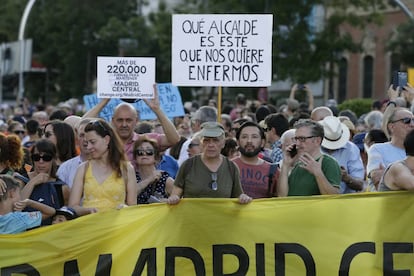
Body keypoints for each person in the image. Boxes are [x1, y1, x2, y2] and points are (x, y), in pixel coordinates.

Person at [167, 122, 252, 205]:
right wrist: (174, 198)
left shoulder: (232, 167)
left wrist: (243, 197)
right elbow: (175, 194)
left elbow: (238, 195)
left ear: (223, 143)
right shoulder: (188, 165)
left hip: (222, 218)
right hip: (192, 218)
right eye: (206, 140)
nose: (211, 145)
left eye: (215, 140)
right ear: (201, 143)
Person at [69, 119, 137, 215]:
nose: (88, 147)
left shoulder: (127, 169)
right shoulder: (83, 168)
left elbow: (133, 207)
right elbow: (72, 206)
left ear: (106, 140)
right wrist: (87, 210)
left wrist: (124, 208)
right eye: (87, 143)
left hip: (117, 227)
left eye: (92, 142)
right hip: (89, 226)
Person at [111, 84, 180, 164]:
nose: (124, 124)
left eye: (128, 120)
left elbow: (174, 139)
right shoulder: (105, 143)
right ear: (113, 121)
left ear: (136, 121)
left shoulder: (146, 141)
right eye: (120, 120)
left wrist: (157, 110)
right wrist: (104, 101)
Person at [278, 119, 341, 196]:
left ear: (317, 141)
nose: (297, 143)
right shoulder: (298, 164)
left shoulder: (329, 163)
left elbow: (334, 197)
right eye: (296, 139)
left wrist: (318, 173)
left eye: (302, 139)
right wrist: (285, 165)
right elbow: (282, 196)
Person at [20, 139, 69, 225]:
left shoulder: (61, 188)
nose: (41, 162)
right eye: (36, 158)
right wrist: (33, 182)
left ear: (53, 159)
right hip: (25, 233)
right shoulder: (21, 180)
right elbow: (17, 206)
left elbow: (66, 216)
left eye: (46, 158)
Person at [232, 122, 278, 198]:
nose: (249, 141)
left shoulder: (273, 170)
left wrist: (286, 164)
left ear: (262, 142)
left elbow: (282, 199)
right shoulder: (228, 166)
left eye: (254, 137)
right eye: (244, 137)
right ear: (238, 142)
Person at [319, 116, 365, 193]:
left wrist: (347, 178)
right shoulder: (312, 146)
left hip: (344, 201)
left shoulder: (351, 149)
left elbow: (360, 184)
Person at [134, 136, 174, 204]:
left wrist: (169, 201)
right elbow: (128, 196)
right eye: (140, 152)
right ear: (135, 157)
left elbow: (181, 200)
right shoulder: (131, 178)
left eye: (149, 151)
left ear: (156, 157)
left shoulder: (165, 180)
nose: (144, 154)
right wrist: (149, 180)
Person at [56, 118, 92, 189]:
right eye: (82, 135)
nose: (85, 139)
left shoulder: (109, 165)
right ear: (77, 138)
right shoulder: (65, 168)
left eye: (90, 135)